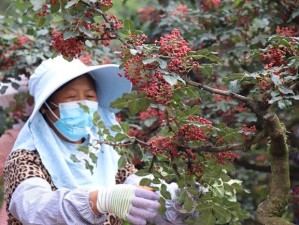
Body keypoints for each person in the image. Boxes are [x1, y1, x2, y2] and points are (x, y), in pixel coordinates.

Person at [3, 56, 162, 225]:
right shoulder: (25, 158)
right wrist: (97, 200)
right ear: (45, 107)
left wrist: (170, 197)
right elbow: (33, 208)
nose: (83, 105)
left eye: (89, 96)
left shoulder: (104, 150)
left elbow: (134, 183)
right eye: (71, 98)